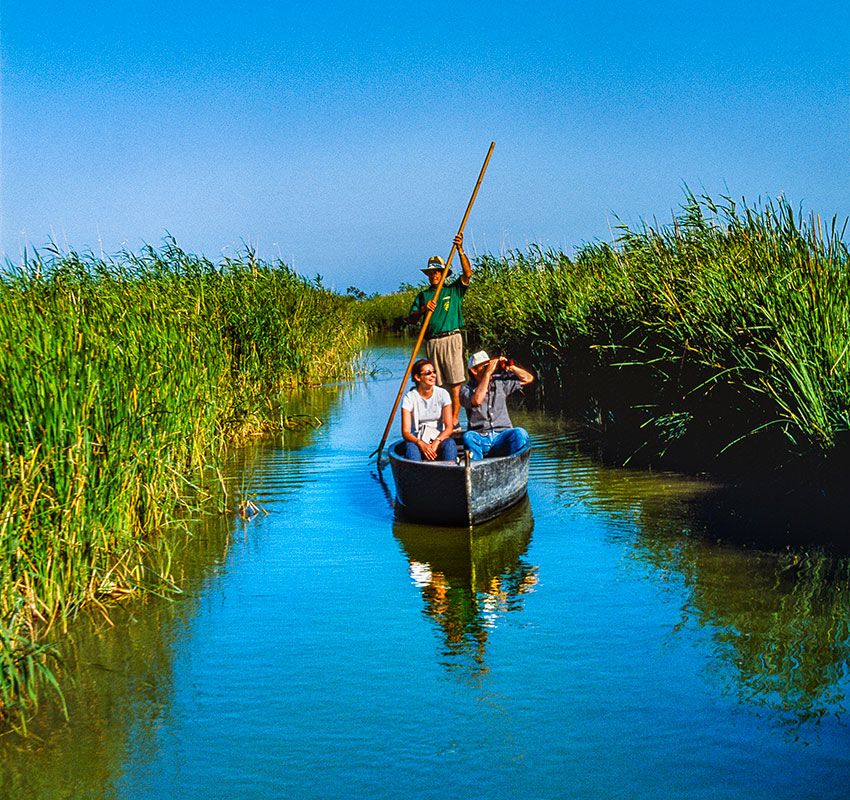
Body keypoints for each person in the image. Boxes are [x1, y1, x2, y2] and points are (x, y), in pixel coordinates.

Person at [407, 232, 472, 430]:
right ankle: (440, 421)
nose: (434, 275)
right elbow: (410, 318)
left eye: (438, 272)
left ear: (443, 274)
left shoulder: (453, 290)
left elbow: (468, 274)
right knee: (435, 382)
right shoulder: (423, 295)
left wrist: (460, 250)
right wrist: (423, 310)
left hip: (452, 338)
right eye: (431, 273)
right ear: (428, 275)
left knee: (455, 383)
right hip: (433, 342)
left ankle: (454, 421)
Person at [460, 350, 534, 460]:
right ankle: (476, 468)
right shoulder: (466, 390)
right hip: (480, 436)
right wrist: (487, 373)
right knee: (468, 437)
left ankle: (514, 465)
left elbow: (528, 379)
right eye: (485, 367)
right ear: (474, 371)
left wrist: (510, 366)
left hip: (502, 435)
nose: (490, 368)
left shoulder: (499, 382)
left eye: (489, 365)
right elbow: (477, 400)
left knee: (520, 433)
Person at [401, 358, 459, 462]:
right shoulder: (409, 397)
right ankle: (417, 475)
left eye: (434, 372)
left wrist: (437, 441)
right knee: (411, 449)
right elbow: (406, 432)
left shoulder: (443, 394)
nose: (433, 375)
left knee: (450, 444)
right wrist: (421, 443)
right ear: (418, 377)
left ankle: (451, 473)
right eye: (428, 373)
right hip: (417, 439)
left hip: (438, 437)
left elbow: (449, 427)